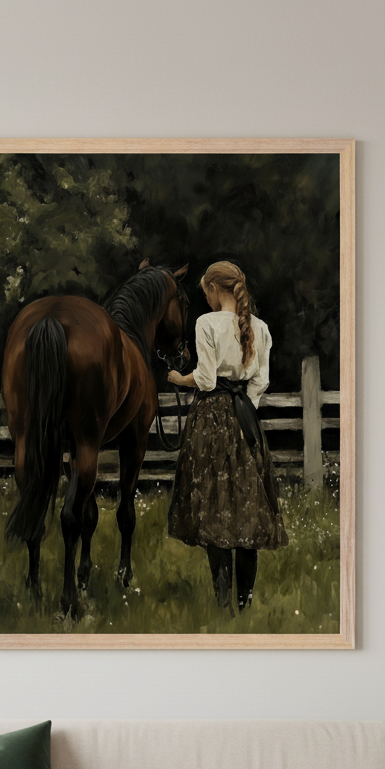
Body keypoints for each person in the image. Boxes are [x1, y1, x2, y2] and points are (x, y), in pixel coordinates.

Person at [166, 261, 288, 614]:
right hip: (244, 419)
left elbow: (205, 380)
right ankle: (244, 602)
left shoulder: (207, 323)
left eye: (206, 292)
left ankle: (224, 606)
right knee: (246, 508)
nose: (206, 299)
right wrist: (243, 409)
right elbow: (259, 382)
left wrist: (178, 380)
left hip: (211, 420)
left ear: (215, 290)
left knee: (213, 508)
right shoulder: (260, 328)